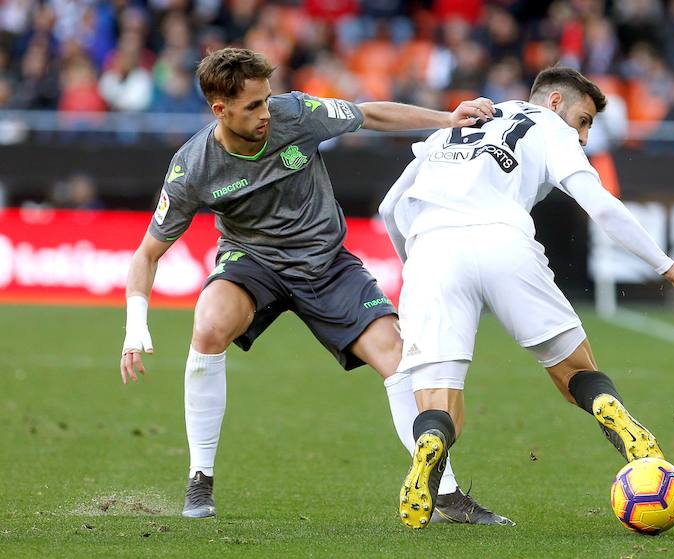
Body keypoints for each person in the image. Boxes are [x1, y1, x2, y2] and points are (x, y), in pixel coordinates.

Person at [119, 47, 512, 525]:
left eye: (266, 100)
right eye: (252, 107)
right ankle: (200, 480)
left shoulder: (296, 113)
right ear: (219, 110)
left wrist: (447, 119)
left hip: (326, 263)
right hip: (253, 263)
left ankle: (445, 493)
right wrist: (135, 323)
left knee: (397, 355)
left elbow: (369, 114)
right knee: (208, 326)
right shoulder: (193, 167)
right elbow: (147, 254)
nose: (266, 113)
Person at [378, 66, 674, 529]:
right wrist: (668, 267)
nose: (584, 136)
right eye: (584, 120)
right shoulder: (548, 126)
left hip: (430, 248)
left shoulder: (458, 122)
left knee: (437, 404)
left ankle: (430, 445)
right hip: (504, 238)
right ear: (553, 103)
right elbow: (599, 202)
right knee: (576, 372)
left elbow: (390, 206)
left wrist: (416, 266)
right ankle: (612, 412)